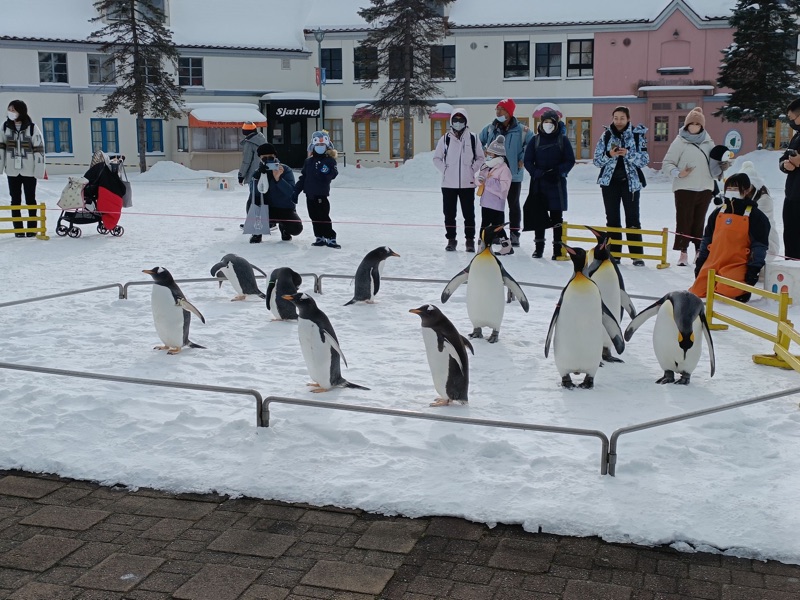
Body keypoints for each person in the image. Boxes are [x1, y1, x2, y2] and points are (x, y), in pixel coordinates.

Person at [690, 173, 770, 303]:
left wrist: (753, 269)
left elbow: (759, 245)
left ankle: (742, 289)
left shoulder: (756, 216)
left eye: (736, 188)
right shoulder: (718, 212)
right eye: (729, 188)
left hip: (736, 264)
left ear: (747, 190)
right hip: (713, 261)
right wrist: (701, 261)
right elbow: (707, 239)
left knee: (726, 291)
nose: (731, 192)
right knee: (697, 291)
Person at [661, 107, 722, 267]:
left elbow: (714, 165)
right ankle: (683, 252)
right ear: (686, 125)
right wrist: (678, 173)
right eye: (691, 123)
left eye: (697, 123)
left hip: (705, 188)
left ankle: (698, 251)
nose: (694, 126)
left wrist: (723, 165)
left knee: (699, 221)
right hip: (684, 188)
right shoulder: (680, 141)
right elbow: (667, 163)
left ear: (702, 126)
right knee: (684, 220)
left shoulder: (708, 141)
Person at [593, 106, 649, 266]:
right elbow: (597, 160)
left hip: (630, 184)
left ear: (628, 119)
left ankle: (637, 255)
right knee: (612, 220)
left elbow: (644, 160)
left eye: (622, 118)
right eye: (616, 118)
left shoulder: (638, 136)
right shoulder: (606, 135)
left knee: (633, 220)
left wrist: (628, 154)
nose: (618, 121)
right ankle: (615, 254)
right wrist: (609, 155)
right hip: (609, 183)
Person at [478, 98, 532, 248]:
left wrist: (523, 158)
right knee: (495, 205)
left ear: (509, 112)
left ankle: (514, 234)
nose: (498, 112)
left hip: (513, 175)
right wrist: (483, 153)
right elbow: (478, 142)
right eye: (497, 109)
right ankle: (495, 234)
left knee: (513, 204)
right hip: (493, 176)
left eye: (501, 109)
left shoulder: (522, 130)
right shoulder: (490, 128)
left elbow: (531, 145)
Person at [522, 109, 576, 259]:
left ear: (556, 124)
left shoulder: (562, 140)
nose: (547, 125)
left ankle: (557, 249)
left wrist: (559, 171)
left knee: (556, 217)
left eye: (550, 122)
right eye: (545, 122)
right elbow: (527, 160)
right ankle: (539, 248)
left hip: (556, 183)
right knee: (539, 215)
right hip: (538, 183)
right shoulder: (535, 139)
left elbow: (570, 160)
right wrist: (535, 171)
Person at [433, 108, 484, 252]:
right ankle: (451, 239)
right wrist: (446, 170)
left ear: (466, 121)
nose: (458, 123)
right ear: (451, 121)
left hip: (467, 184)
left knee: (469, 214)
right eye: (455, 120)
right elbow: (437, 158)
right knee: (449, 214)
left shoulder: (473, 138)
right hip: (449, 184)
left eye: (461, 120)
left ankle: (469, 240)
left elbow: (480, 157)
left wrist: (472, 169)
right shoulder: (445, 139)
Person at [1, 100, 46, 238]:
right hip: (12, 171)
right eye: (9, 109)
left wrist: (39, 170)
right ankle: (18, 229)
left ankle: (31, 229)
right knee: (15, 200)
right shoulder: (5, 127)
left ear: (21, 111)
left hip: (29, 170)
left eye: (13, 109)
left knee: (30, 199)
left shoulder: (32, 127)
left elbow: (39, 150)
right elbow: (1, 148)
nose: (11, 112)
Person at [248, 143, 304, 244]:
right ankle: (257, 231)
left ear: (275, 156)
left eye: (271, 157)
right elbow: (254, 194)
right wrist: (257, 178)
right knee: (251, 201)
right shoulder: (258, 172)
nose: (268, 160)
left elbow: (291, 192)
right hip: (265, 208)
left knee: (296, 228)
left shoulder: (285, 170)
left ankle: (284, 228)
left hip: (284, 208)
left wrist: (278, 179)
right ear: (260, 158)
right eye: (264, 158)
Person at [293, 130, 340, 248]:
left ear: (327, 146)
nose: (320, 147)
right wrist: (296, 190)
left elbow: (333, 175)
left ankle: (330, 237)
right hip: (309, 194)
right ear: (313, 146)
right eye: (318, 145)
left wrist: (325, 170)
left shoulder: (329, 160)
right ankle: (319, 236)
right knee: (313, 216)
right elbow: (304, 177)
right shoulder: (309, 161)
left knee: (323, 216)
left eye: (322, 145)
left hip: (321, 194)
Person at [476, 135, 513, 255]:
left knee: (497, 226)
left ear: (497, 155)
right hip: (486, 201)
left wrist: (488, 181)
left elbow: (504, 187)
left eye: (491, 154)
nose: (488, 155)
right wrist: (480, 179)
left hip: (496, 203)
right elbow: (480, 177)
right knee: (485, 224)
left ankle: (506, 245)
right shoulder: (488, 166)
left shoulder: (504, 169)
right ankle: (482, 245)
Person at [739, 161, 780, 262]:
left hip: (766, 243)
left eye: (748, 185)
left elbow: (755, 223)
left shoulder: (764, 199)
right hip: (748, 241)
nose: (745, 189)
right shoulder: (740, 196)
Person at [778, 98, 800, 259]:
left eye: (793, 118)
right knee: (790, 237)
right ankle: (791, 270)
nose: (791, 122)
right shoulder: (797, 136)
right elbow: (783, 158)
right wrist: (785, 165)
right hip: (792, 195)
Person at [237, 120, 267, 208]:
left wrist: (241, 175)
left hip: (253, 175)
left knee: (253, 199)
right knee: (262, 197)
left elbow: (246, 161)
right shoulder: (262, 139)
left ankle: (253, 218)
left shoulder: (249, 143)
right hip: (264, 173)